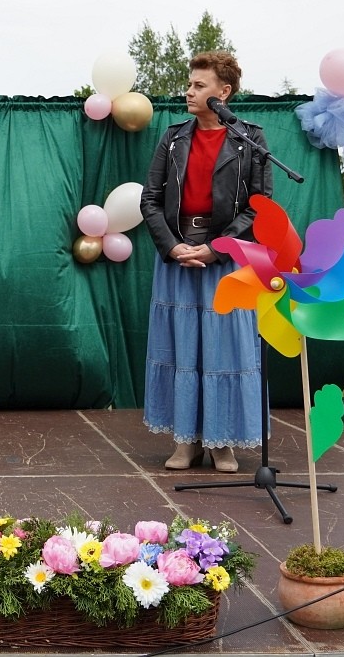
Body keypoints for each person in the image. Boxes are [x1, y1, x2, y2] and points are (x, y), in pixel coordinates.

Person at [138, 51, 273, 473]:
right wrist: (173, 246)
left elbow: (260, 206)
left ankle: (222, 442)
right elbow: (151, 199)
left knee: (225, 350)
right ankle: (187, 441)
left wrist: (219, 247)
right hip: (178, 255)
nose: (189, 91)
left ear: (223, 92)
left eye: (199, 85)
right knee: (181, 347)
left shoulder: (250, 138)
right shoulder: (174, 136)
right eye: (190, 83)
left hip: (226, 258)